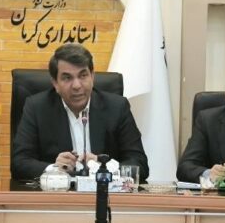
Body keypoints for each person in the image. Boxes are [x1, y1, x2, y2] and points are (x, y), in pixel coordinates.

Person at [11, 43, 149, 180]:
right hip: (58, 192)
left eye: (83, 76)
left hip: (103, 191)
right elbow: (19, 163)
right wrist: (54, 169)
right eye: (67, 78)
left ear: (92, 77)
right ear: (55, 83)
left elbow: (140, 164)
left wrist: (103, 167)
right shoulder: (37, 107)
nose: (77, 86)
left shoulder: (117, 107)